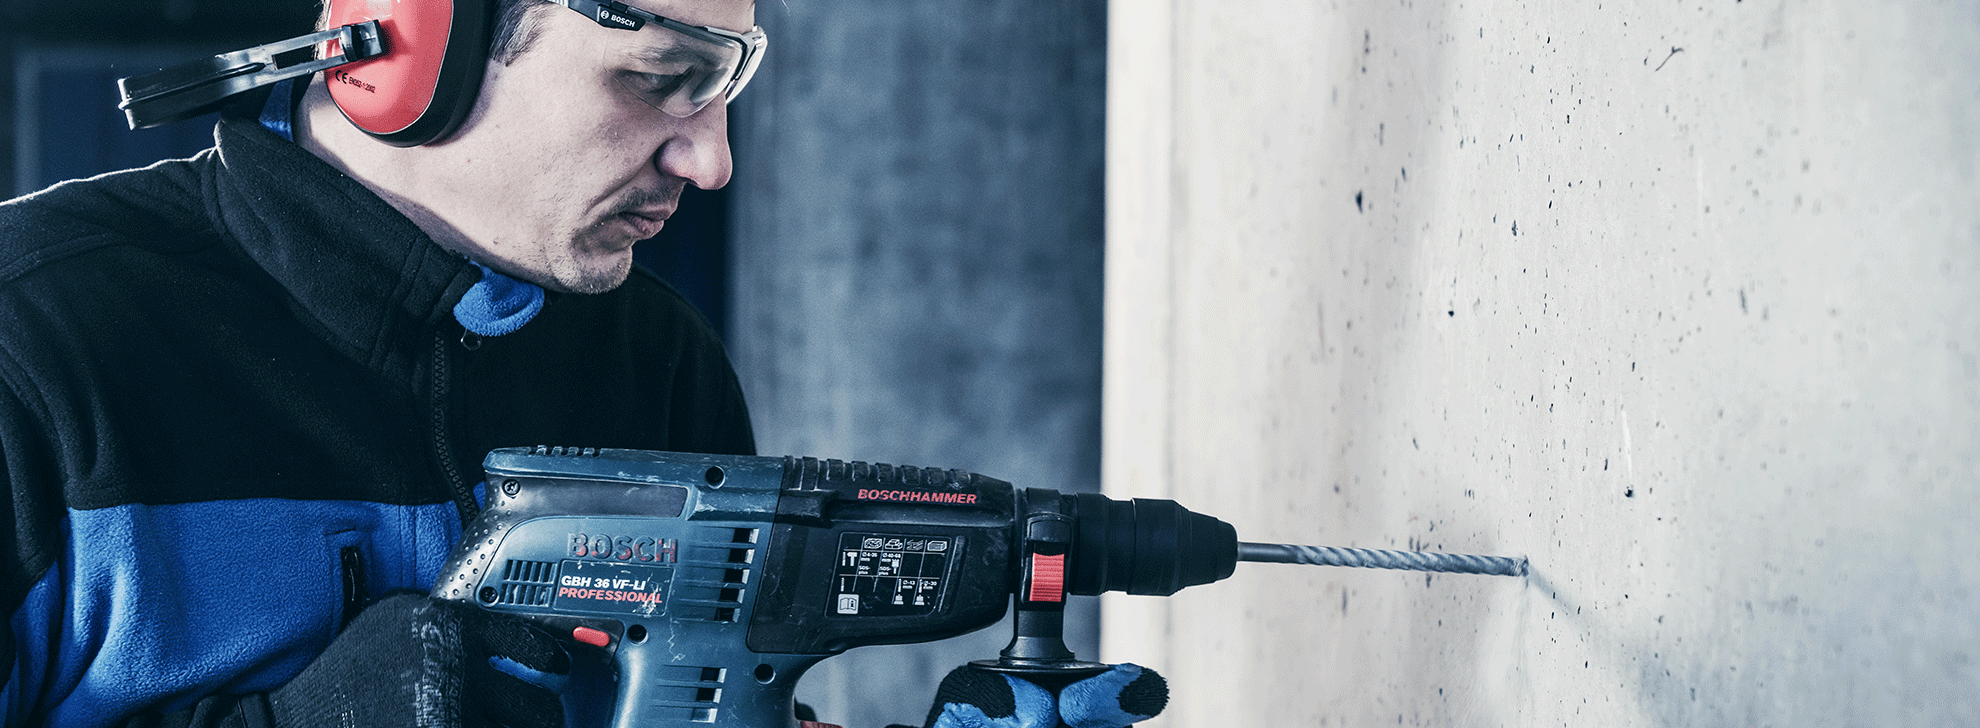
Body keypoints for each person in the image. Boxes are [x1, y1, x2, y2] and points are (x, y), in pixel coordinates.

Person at [0, 0, 1163, 726]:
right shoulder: (39, 343)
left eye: (725, 88)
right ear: (413, 44)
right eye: (662, 78)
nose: (710, 160)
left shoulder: (655, 358)